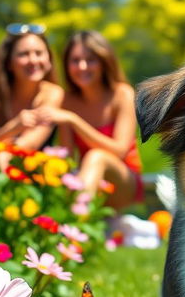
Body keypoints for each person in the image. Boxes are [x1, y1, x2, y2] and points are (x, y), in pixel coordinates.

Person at [34, 30, 143, 209]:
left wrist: (75, 121)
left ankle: (77, 221)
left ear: (103, 62)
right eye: (75, 61)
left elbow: (120, 151)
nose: (82, 66)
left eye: (90, 60)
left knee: (96, 157)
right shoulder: (67, 101)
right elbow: (68, 156)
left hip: (124, 182)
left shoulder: (122, 94)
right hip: (89, 181)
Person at [0, 23, 64, 159]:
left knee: (0, 156)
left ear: (49, 59)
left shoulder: (53, 93)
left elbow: (28, 144)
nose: (33, 60)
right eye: (23, 54)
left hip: (28, 171)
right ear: (8, 63)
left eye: (39, 53)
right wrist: (10, 129)